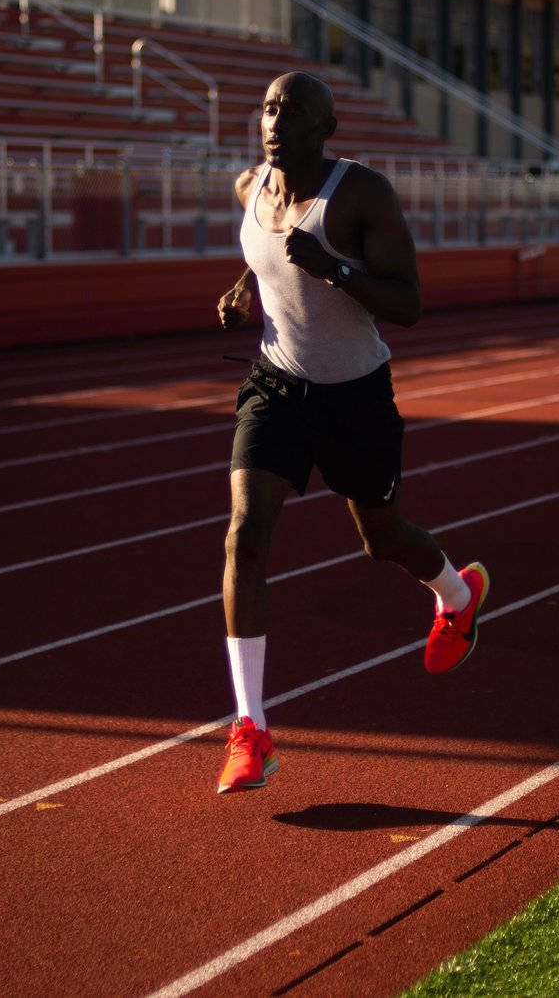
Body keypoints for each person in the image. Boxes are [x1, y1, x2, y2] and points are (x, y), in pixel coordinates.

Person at [209, 71, 489, 794]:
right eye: (268, 105)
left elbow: (410, 304)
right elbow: (263, 252)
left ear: (325, 128)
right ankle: (251, 730)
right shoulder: (252, 187)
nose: (275, 120)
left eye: (293, 111)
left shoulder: (360, 194)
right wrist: (248, 286)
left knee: (383, 537)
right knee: (245, 532)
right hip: (276, 384)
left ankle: (458, 598)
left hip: (356, 395)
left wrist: (334, 268)